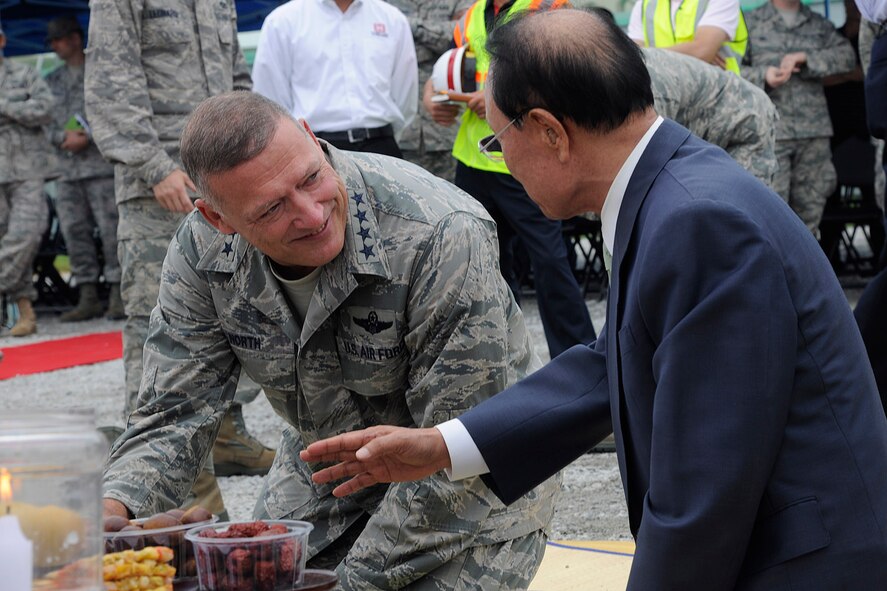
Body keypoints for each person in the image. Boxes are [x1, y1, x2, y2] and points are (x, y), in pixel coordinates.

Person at [302, 9, 887, 589]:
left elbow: (704, 489)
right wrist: (443, 445)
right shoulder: (673, 190)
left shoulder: (697, 223)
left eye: (498, 137)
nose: (501, 158)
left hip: (806, 565)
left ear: (551, 131)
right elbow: (613, 360)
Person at [101, 91, 559, 589]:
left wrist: (344, 583)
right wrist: (113, 509)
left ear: (311, 137)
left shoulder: (438, 233)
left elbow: (460, 448)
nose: (312, 214)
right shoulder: (201, 250)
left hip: (473, 487)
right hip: (329, 473)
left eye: (311, 178)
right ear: (219, 219)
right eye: (272, 208)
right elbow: (176, 409)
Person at [85, 0, 273, 514]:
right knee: (161, 327)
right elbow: (109, 84)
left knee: (241, 308)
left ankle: (227, 435)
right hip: (160, 186)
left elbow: (237, 82)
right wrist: (153, 166)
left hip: (225, 181)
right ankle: (177, 501)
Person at [432, 0, 596, 359]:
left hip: (526, 159)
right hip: (474, 160)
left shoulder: (550, 7)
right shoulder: (473, 15)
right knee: (479, 264)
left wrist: (495, 98)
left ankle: (580, 360)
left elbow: (563, 77)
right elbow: (444, 71)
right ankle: (495, 357)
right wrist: (434, 98)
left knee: (550, 262)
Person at [742, 0, 856, 237]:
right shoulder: (749, 23)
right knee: (770, 218)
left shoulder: (818, 24)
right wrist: (763, 75)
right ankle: (774, 274)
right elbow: (729, 70)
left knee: (809, 223)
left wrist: (807, 58)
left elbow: (847, 57)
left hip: (813, 134)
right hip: (771, 134)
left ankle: (808, 274)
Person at [251, 0, 417, 159]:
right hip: (316, 149)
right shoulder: (282, 22)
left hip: (382, 147)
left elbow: (405, 95)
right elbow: (270, 102)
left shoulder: (392, 19)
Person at [45, 15, 123, 322]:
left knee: (110, 231)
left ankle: (118, 293)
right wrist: (61, 137)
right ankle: (87, 294)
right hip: (66, 172)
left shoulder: (101, 74)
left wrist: (89, 137)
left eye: (59, 39)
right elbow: (43, 123)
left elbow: (115, 112)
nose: (54, 45)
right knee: (74, 233)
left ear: (76, 38)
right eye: (51, 41)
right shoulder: (51, 81)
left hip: (99, 167)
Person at [643, 46, 778, 185]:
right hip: (703, 132)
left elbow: (651, 167)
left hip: (745, 122)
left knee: (736, 197)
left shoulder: (652, 90)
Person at [0, 18, 57, 337]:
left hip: (26, 169)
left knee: (27, 233)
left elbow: (46, 109)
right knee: (8, 238)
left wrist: (5, 107)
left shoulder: (24, 75)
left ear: (3, 41)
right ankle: (25, 310)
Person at [386, 0, 473, 181]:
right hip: (397, 131)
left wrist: (408, 26)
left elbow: (462, 37)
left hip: (446, 128)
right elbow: (380, 45)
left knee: (450, 202)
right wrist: (436, 44)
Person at [628, 0, 747, 73]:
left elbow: (702, 51)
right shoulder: (644, 4)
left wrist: (647, 54)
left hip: (717, 97)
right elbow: (633, 59)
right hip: (668, 96)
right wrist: (691, 51)